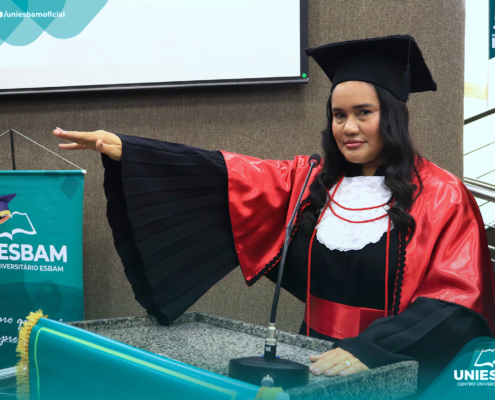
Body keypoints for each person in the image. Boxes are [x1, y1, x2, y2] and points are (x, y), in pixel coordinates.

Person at [53, 34, 495, 396]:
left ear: (393, 116)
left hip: (393, 366)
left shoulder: (442, 195)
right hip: (311, 357)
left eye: (364, 113)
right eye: (338, 115)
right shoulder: (312, 183)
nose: (348, 128)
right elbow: (229, 175)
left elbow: (457, 301)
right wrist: (131, 151)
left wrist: (372, 349)